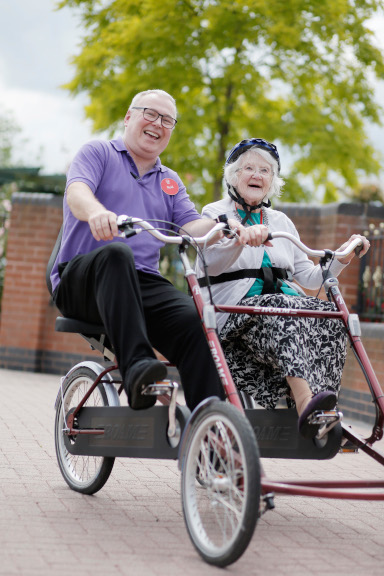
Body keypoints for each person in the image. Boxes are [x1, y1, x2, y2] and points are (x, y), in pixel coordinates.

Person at [50, 89, 246, 412]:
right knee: (116, 254)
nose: (158, 124)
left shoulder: (169, 180)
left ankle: (213, 428)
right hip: (83, 280)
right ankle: (138, 370)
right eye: (150, 114)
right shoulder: (99, 152)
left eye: (168, 120)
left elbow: (191, 226)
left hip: (141, 283)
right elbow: (77, 192)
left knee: (196, 322)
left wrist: (223, 228)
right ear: (129, 117)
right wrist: (97, 212)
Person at [196, 138, 370, 438]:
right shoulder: (216, 213)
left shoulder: (281, 221)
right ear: (233, 176)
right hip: (234, 313)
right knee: (284, 308)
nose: (257, 175)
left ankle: (326, 408)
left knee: (327, 314)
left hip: (279, 310)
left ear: (273, 181)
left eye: (265, 170)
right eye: (248, 168)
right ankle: (306, 407)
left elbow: (310, 277)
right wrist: (240, 238)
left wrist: (342, 257)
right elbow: (209, 265)